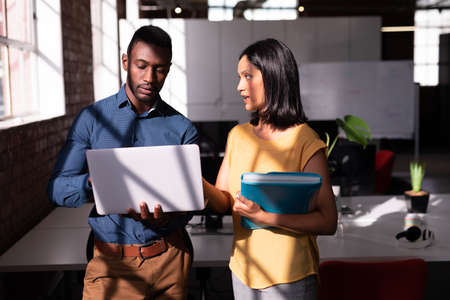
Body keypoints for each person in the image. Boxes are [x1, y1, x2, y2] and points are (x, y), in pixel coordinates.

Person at [47, 25, 198, 300]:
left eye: (160, 69)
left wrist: (168, 216)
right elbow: (57, 189)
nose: (150, 77)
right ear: (125, 62)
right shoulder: (92, 119)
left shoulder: (182, 128)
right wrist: (93, 184)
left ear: (168, 69)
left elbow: (191, 203)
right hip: (111, 266)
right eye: (142, 66)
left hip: (171, 263)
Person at [202, 38, 338, 299]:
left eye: (247, 76)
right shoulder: (238, 135)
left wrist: (265, 217)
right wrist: (195, 182)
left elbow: (328, 221)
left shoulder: (304, 140)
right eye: (239, 77)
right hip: (243, 272)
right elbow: (222, 202)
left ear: (273, 78)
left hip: (290, 278)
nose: (239, 86)